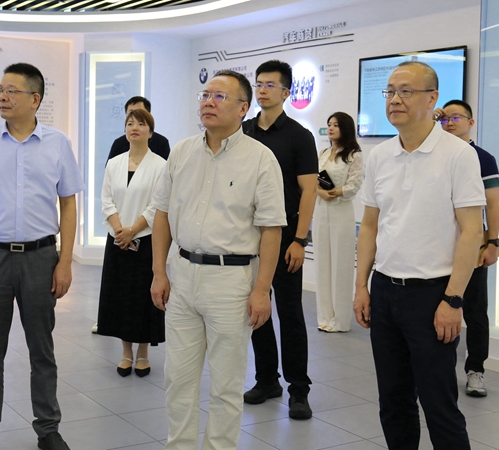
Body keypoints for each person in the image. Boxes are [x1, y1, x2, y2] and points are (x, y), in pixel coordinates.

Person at [150, 70, 285, 450]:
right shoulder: (182, 152)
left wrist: (262, 290)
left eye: (219, 96)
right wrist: (159, 272)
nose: (208, 102)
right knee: (178, 379)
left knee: (226, 384)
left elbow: (272, 229)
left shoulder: (260, 159)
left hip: (232, 281)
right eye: (205, 95)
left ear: (243, 108)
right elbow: (161, 214)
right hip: (182, 275)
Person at [354, 61, 484, 449]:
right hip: (385, 292)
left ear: (432, 99)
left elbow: (471, 231)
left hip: (433, 295)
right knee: (393, 403)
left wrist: (453, 300)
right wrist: (361, 286)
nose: (395, 99)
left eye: (405, 91)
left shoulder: (458, 154)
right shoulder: (380, 155)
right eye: (390, 91)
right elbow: (370, 227)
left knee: (439, 406)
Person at [0, 63, 83, 450]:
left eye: (11, 91)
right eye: (0, 90)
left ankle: (48, 429)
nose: (2, 97)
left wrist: (65, 262)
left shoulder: (58, 143)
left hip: (40, 258)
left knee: (42, 351)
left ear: (35, 99)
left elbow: (69, 205)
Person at [241, 60, 317, 420]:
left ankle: (298, 390)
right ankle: (266, 379)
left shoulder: (299, 136)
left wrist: (300, 239)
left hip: (286, 238)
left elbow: (309, 190)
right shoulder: (243, 131)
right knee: (257, 310)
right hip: (249, 237)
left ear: (286, 92)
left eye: (270, 85)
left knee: (290, 314)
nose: (262, 89)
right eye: (259, 83)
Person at [434, 99, 499, 397]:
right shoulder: (434, 153)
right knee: (435, 307)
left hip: (472, 245)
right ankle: (438, 370)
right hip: (437, 245)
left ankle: (476, 370)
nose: (449, 123)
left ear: (471, 123)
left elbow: (492, 205)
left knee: (474, 310)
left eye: (455, 118)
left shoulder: (482, 158)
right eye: (444, 118)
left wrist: (492, 242)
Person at [97, 108, 166, 377]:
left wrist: (133, 230)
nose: (134, 127)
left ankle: (143, 353)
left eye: (140, 123)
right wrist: (119, 231)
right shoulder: (114, 163)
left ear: (150, 131)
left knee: (142, 298)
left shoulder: (160, 165)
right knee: (121, 296)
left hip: (146, 240)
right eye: (129, 123)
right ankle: (126, 353)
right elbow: (106, 200)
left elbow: (157, 205)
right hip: (117, 241)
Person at [313, 112, 363, 333]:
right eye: (329, 124)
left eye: (336, 125)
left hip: (341, 212)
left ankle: (340, 320)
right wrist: (320, 192)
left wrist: (336, 192)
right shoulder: (323, 153)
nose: (331, 128)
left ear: (346, 128)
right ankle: (324, 317)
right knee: (322, 264)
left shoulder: (353, 155)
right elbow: (312, 180)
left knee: (341, 265)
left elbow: (355, 184)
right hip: (321, 211)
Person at [106, 96, 171, 162]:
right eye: (131, 113)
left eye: (140, 112)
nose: (135, 115)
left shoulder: (161, 143)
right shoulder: (118, 144)